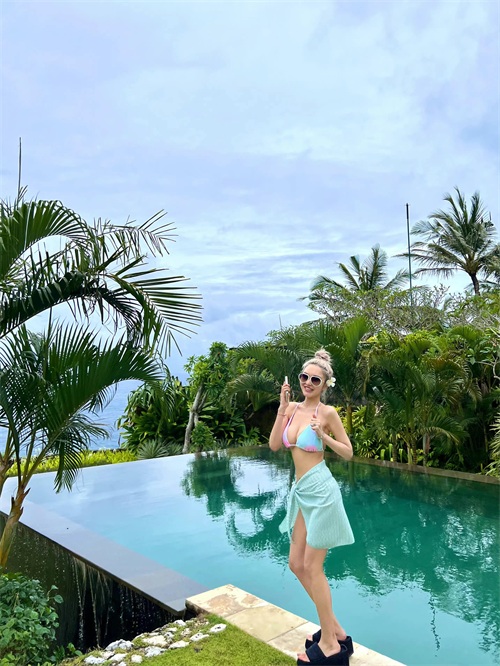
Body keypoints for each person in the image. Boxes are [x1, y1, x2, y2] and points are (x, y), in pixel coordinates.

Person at [269, 349, 354, 666]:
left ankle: (330, 643)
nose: (307, 382)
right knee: (296, 564)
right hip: (302, 492)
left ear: (325, 384)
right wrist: (281, 409)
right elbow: (274, 445)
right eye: (304, 376)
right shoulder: (291, 409)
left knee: (313, 567)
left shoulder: (327, 413)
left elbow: (348, 452)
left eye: (315, 379)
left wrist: (324, 437)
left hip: (322, 492)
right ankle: (337, 631)